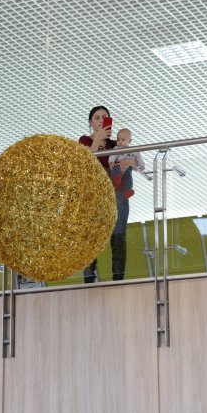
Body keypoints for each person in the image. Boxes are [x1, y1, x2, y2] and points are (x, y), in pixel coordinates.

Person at [78, 106, 138, 282]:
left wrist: (129, 161)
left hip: (115, 194)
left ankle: (118, 277)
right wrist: (97, 140)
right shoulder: (84, 140)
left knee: (119, 234)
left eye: (104, 117)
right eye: (97, 118)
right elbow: (83, 160)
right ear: (91, 122)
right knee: (89, 236)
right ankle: (89, 277)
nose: (101, 120)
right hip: (92, 195)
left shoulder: (116, 144)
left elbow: (134, 160)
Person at [108, 128, 145, 199]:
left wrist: (142, 166)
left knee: (129, 179)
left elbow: (139, 159)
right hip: (118, 165)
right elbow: (112, 155)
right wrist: (111, 162)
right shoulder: (117, 148)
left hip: (128, 168)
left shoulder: (134, 151)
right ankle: (117, 179)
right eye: (118, 140)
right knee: (115, 171)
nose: (120, 142)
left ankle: (127, 191)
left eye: (123, 140)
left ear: (130, 141)